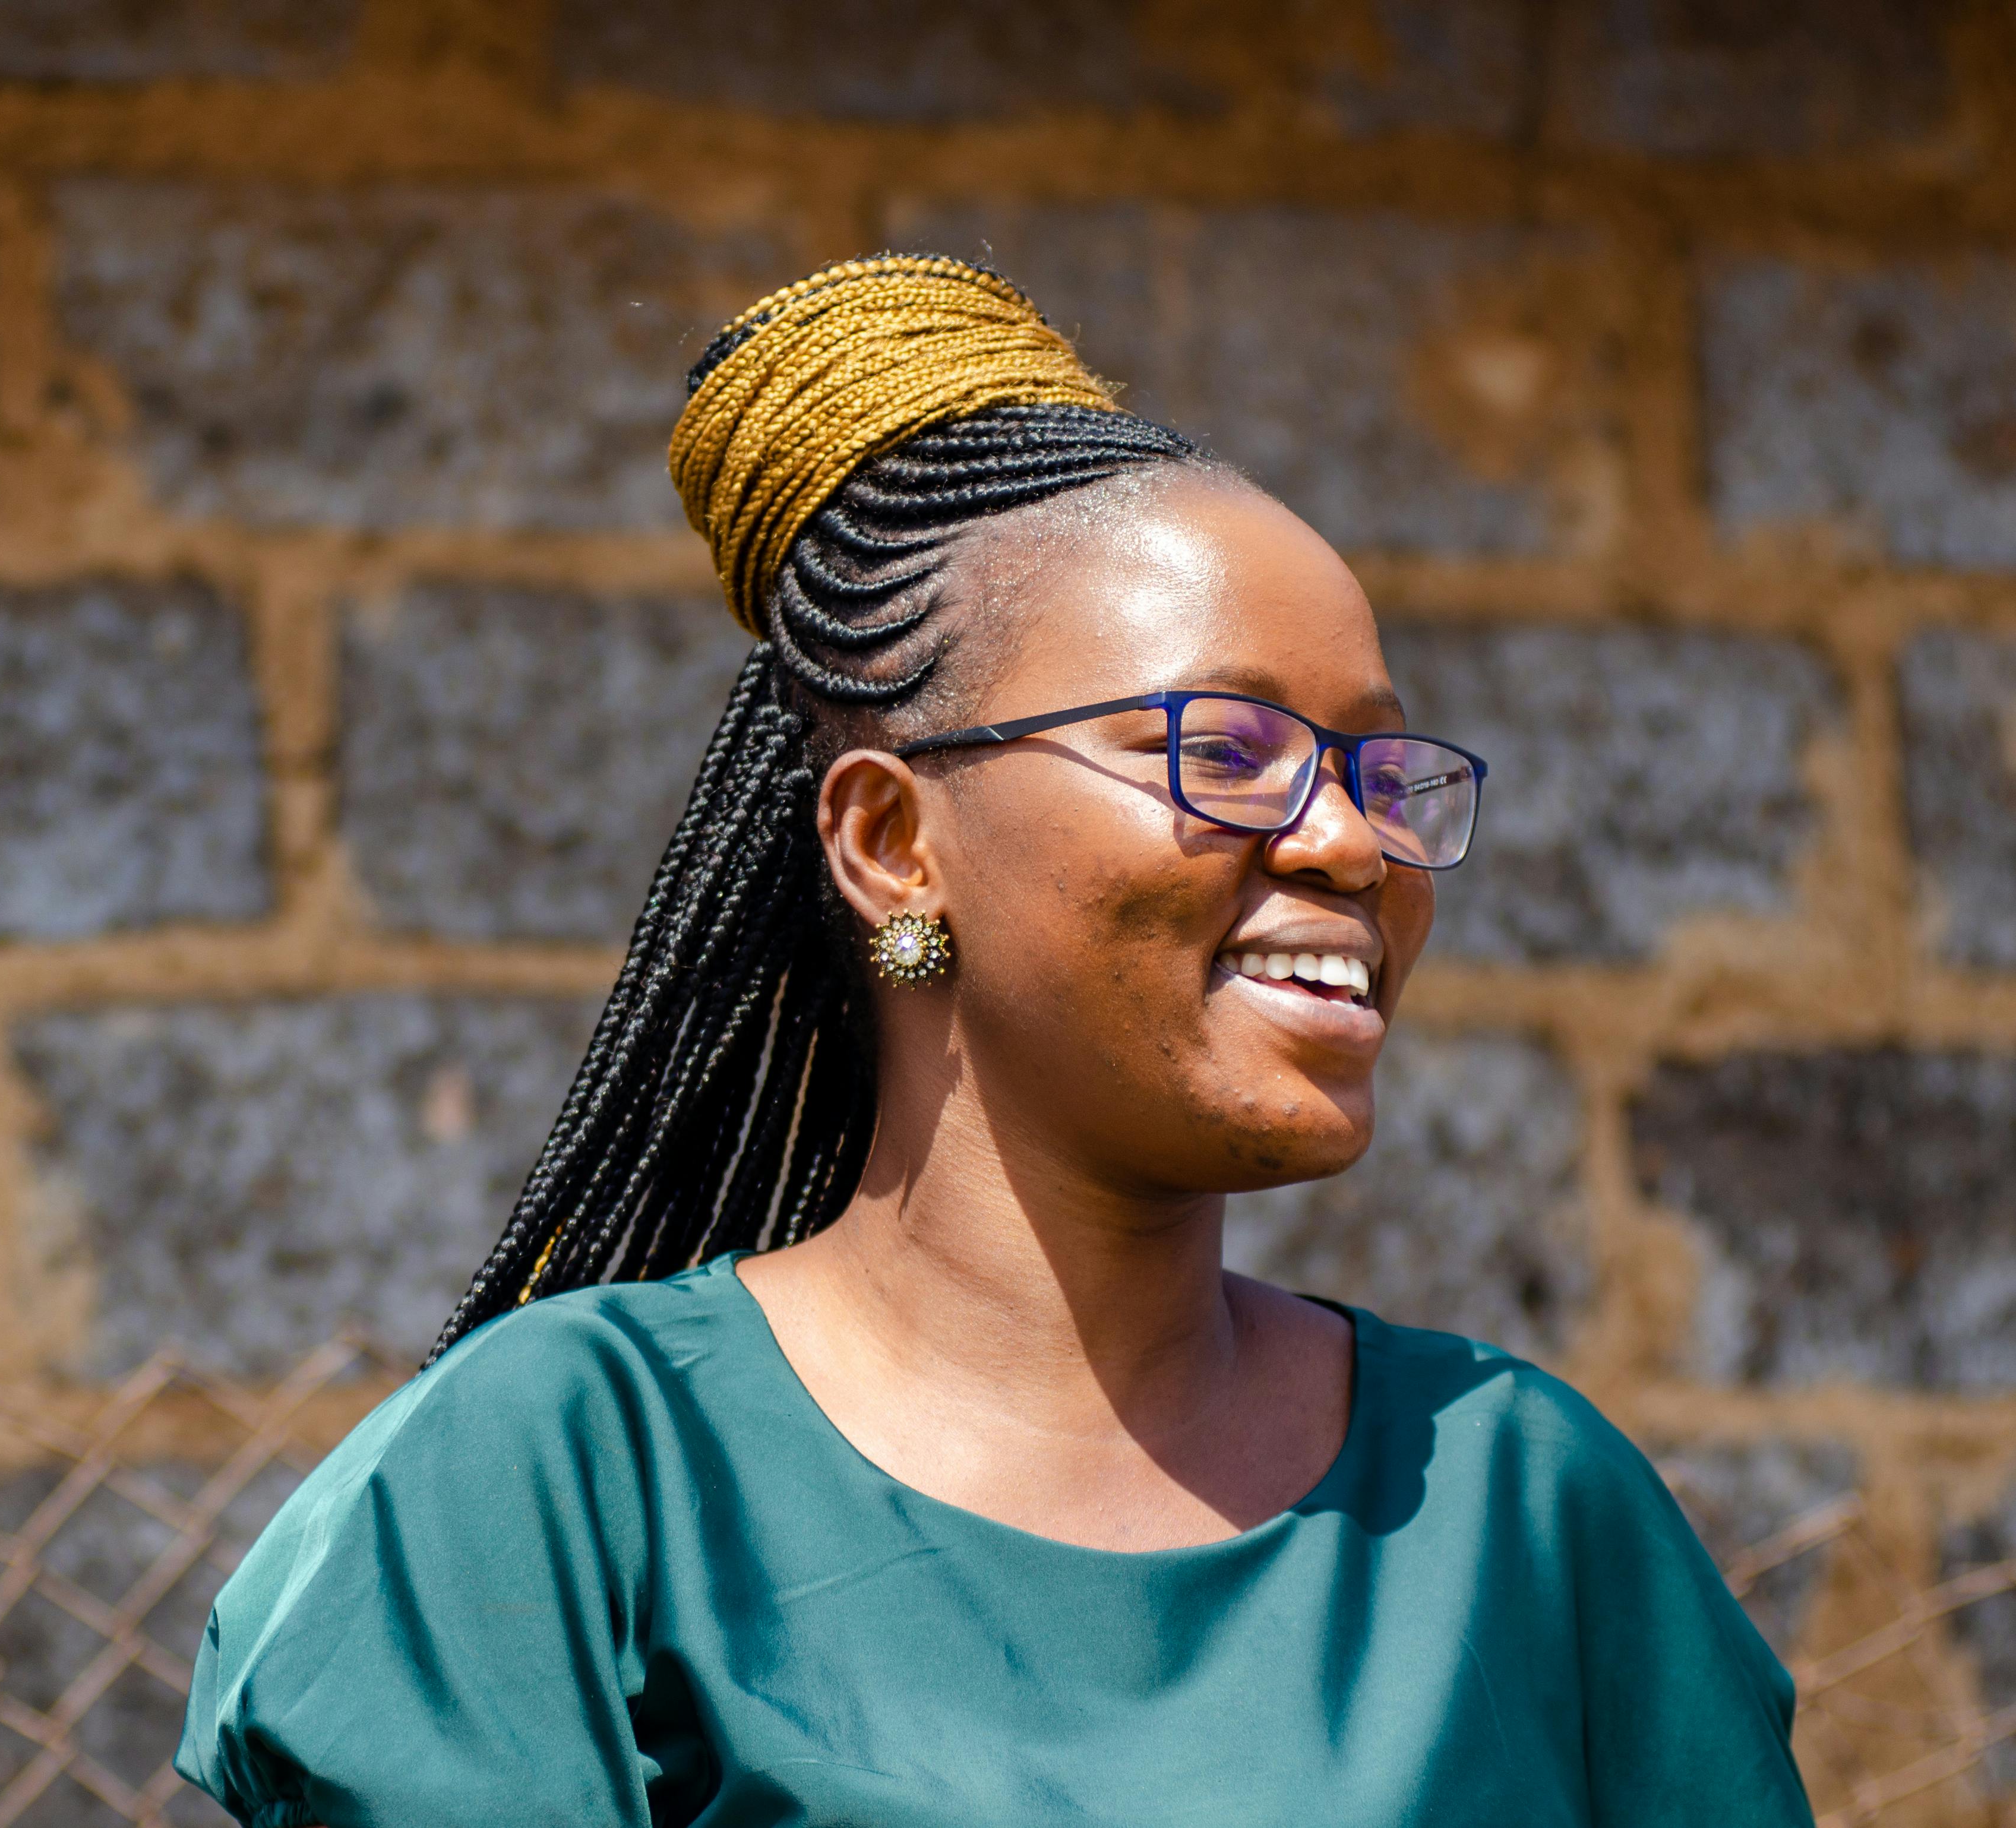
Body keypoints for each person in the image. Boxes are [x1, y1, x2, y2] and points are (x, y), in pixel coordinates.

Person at [177, 254, 1810, 1826]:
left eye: (1379, 772)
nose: (1346, 842)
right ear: (892, 841)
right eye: (1225, 750)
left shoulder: (1521, 1506)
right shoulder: (564, 1480)